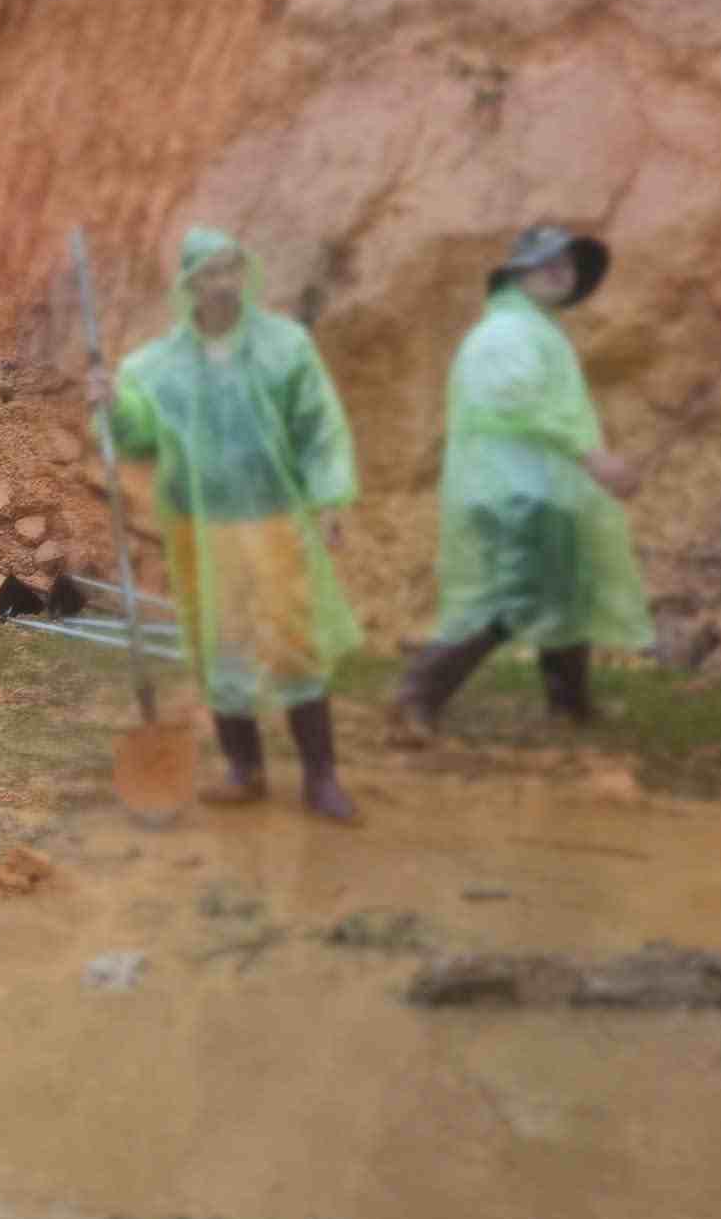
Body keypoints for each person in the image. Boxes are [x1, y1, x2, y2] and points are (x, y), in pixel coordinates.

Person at [90, 228, 364, 823]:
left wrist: (329, 499)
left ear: (246, 274)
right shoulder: (159, 365)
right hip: (200, 527)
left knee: (293, 639)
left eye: (231, 269)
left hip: (272, 519)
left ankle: (321, 776)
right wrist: (113, 403)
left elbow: (319, 426)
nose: (222, 283)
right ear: (189, 285)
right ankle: (246, 769)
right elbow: (139, 434)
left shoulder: (284, 347)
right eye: (209, 273)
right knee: (223, 642)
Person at [391, 224, 651, 739]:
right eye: (546, 262)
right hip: (513, 491)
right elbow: (518, 405)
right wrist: (593, 458)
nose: (561, 270)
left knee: (564, 596)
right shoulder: (505, 334)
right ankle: (414, 697)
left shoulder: (535, 330)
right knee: (511, 600)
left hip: (536, 489)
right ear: (516, 274)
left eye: (568, 264)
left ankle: (570, 711)